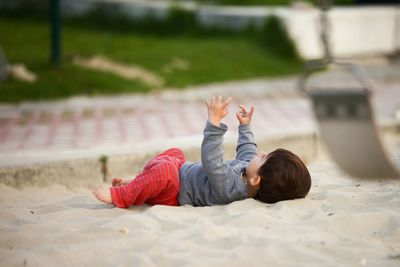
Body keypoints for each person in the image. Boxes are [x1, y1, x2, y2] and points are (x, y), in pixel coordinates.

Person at [93, 96, 311, 207]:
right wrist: (245, 126)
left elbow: (212, 161)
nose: (261, 153)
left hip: (173, 191)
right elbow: (247, 151)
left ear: (256, 181)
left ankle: (121, 195)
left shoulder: (231, 189)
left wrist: (214, 124)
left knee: (165, 171)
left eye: (264, 157)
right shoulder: (249, 172)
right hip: (179, 172)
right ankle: (139, 183)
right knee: (176, 154)